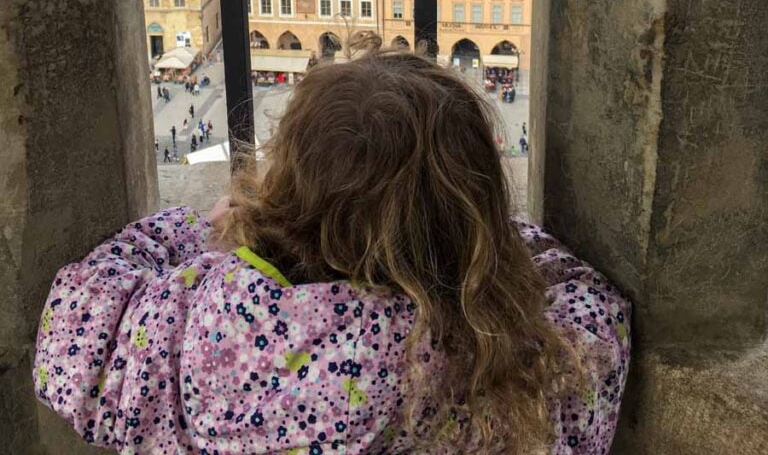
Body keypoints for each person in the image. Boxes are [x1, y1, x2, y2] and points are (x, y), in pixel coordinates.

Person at [34, 40, 630, 455]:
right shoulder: (495, 359)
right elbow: (594, 301)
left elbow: (75, 317)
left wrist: (195, 231)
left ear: (287, 187)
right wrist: (487, 239)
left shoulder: (199, 315)